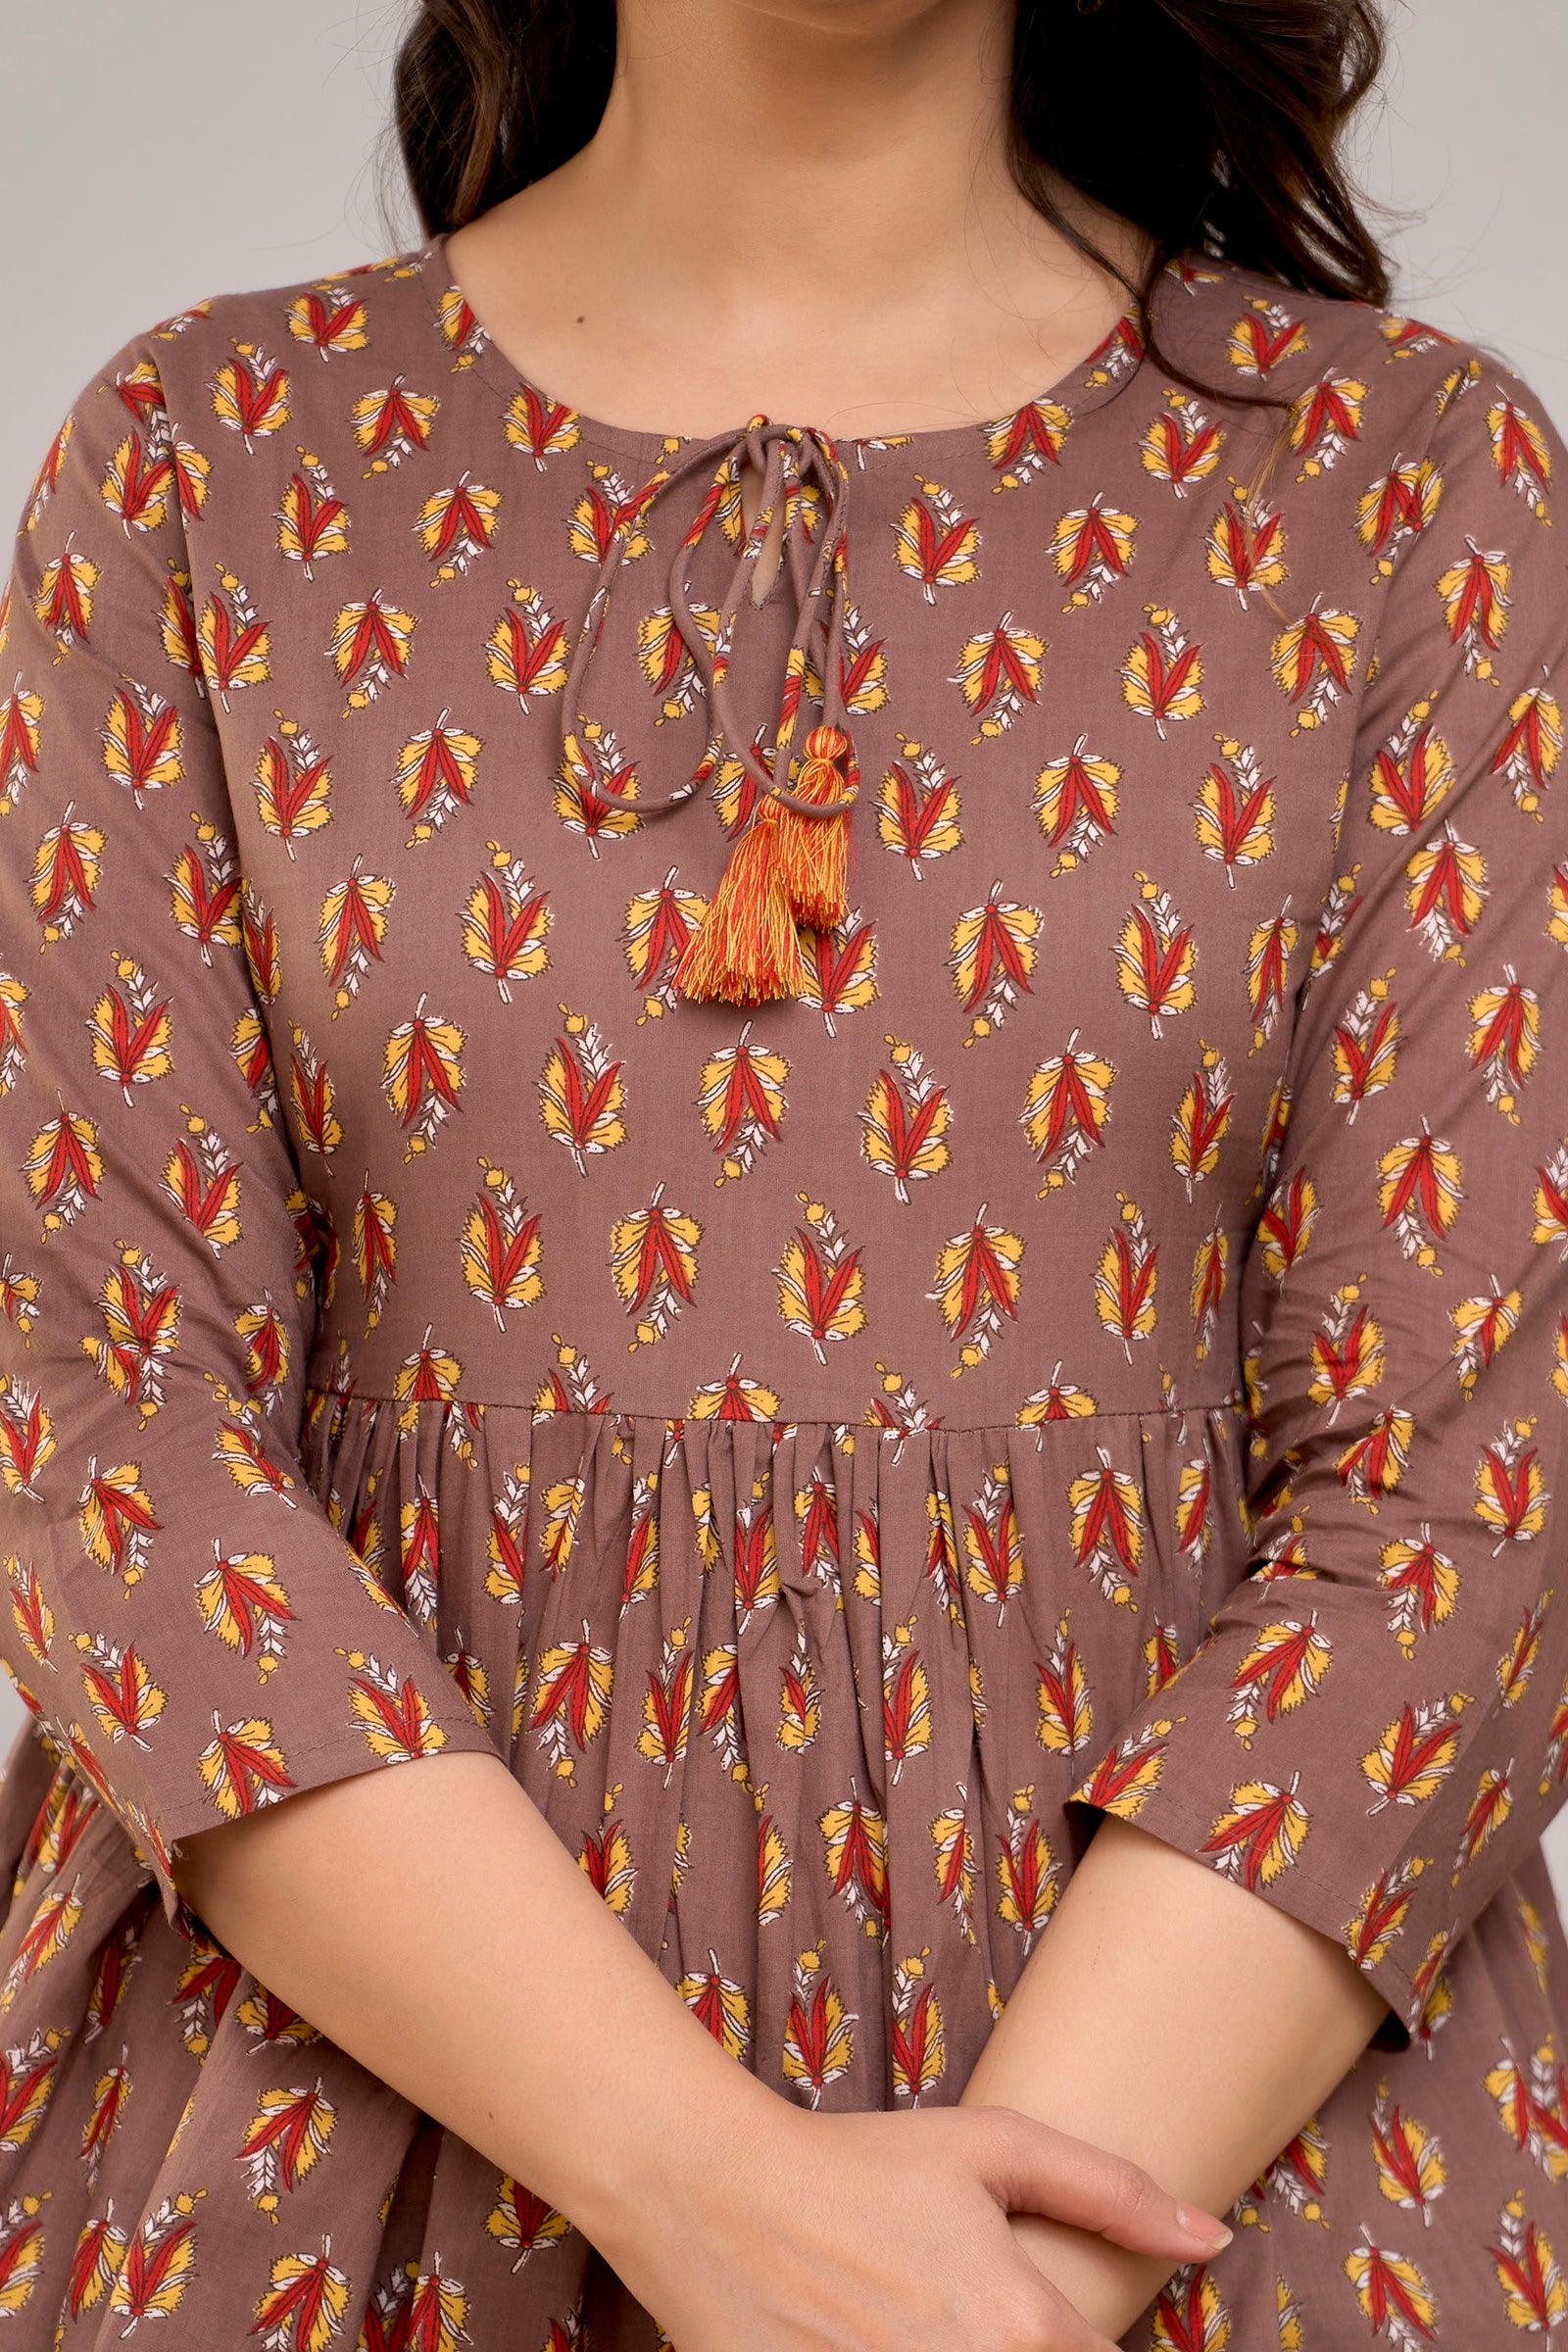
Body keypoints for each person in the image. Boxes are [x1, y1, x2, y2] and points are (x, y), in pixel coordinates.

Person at [2, 0, 1566, 2343]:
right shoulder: (206, 456)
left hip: (1197, 2174)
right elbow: (95, 1427)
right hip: (341, 2160)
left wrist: (978, 2298)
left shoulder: (1402, 478)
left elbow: (1481, 1487)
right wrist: (700, 2185)